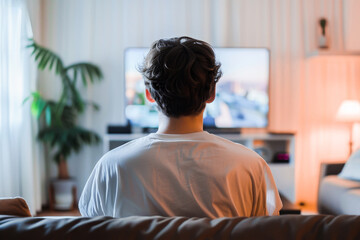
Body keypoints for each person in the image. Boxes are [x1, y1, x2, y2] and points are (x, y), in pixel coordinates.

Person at [79, 36, 282, 218]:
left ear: (149, 94)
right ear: (211, 93)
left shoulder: (111, 166)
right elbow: (264, 230)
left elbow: (92, 228)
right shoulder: (251, 165)